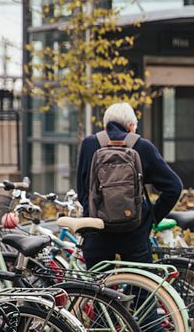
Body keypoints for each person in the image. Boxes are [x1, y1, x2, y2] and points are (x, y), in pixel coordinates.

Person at [76, 102, 182, 331]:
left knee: (101, 299)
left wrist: (93, 217)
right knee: (144, 299)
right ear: (132, 126)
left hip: (97, 231)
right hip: (134, 232)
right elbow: (174, 186)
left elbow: (82, 191)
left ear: (105, 125)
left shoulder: (89, 144)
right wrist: (150, 218)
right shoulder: (142, 146)